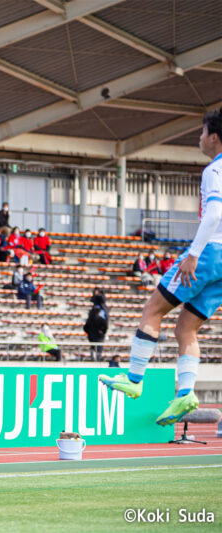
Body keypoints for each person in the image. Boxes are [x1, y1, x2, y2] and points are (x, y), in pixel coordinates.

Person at [100, 108, 222, 426]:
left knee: (153, 309)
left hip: (210, 252)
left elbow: (212, 215)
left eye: (201, 132)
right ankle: (185, 395)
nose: (199, 138)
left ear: (214, 137)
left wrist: (193, 254)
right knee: (186, 328)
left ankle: (134, 380)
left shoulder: (215, 170)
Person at [84, 289, 108, 361]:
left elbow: (85, 327)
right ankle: (97, 359)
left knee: (94, 347)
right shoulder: (100, 318)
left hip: (93, 334)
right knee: (97, 347)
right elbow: (105, 326)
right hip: (96, 335)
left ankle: (94, 358)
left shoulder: (91, 319)